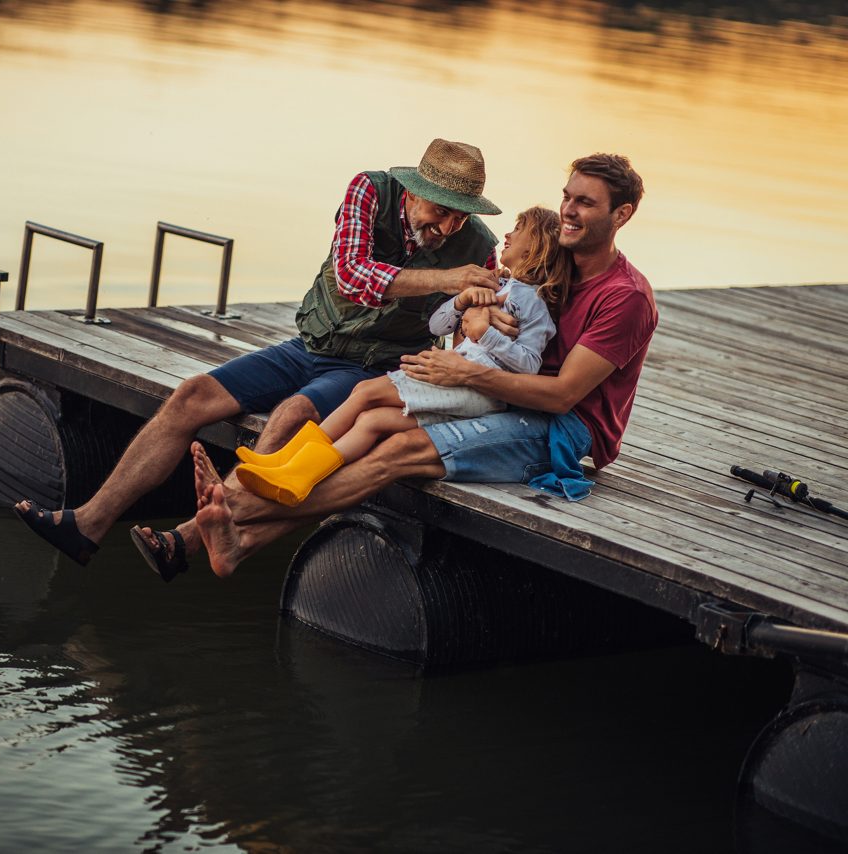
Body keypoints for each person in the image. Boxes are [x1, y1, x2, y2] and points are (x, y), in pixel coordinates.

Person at [15, 138, 505, 577]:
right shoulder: (370, 191)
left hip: (373, 368)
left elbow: (468, 328)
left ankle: (183, 542)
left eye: (460, 215)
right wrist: (445, 279)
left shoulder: (479, 248)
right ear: (415, 191)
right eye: (440, 210)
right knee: (192, 395)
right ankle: (87, 523)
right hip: (311, 345)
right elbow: (354, 276)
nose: (447, 225)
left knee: (292, 414)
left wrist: (478, 318)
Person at [192, 153, 657, 578]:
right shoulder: (552, 268)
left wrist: (466, 371)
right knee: (374, 418)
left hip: (563, 426)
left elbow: (562, 395)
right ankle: (240, 540)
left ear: (621, 215)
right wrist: (470, 316)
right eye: (567, 198)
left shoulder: (625, 297)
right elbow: (473, 333)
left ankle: (235, 512)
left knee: (396, 451)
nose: (569, 212)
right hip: (504, 395)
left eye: (586, 203)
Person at [233, 206, 572, 506]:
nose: (508, 234)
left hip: (477, 388)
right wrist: (461, 301)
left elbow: (529, 364)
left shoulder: (533, 302)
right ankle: (293, 473)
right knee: (371, 420)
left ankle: (288, 464)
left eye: (519, 229)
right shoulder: (497, 285)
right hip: (457, 383)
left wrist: (485, 333)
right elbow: (437, 326)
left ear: (537, 247)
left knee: (364, 393)